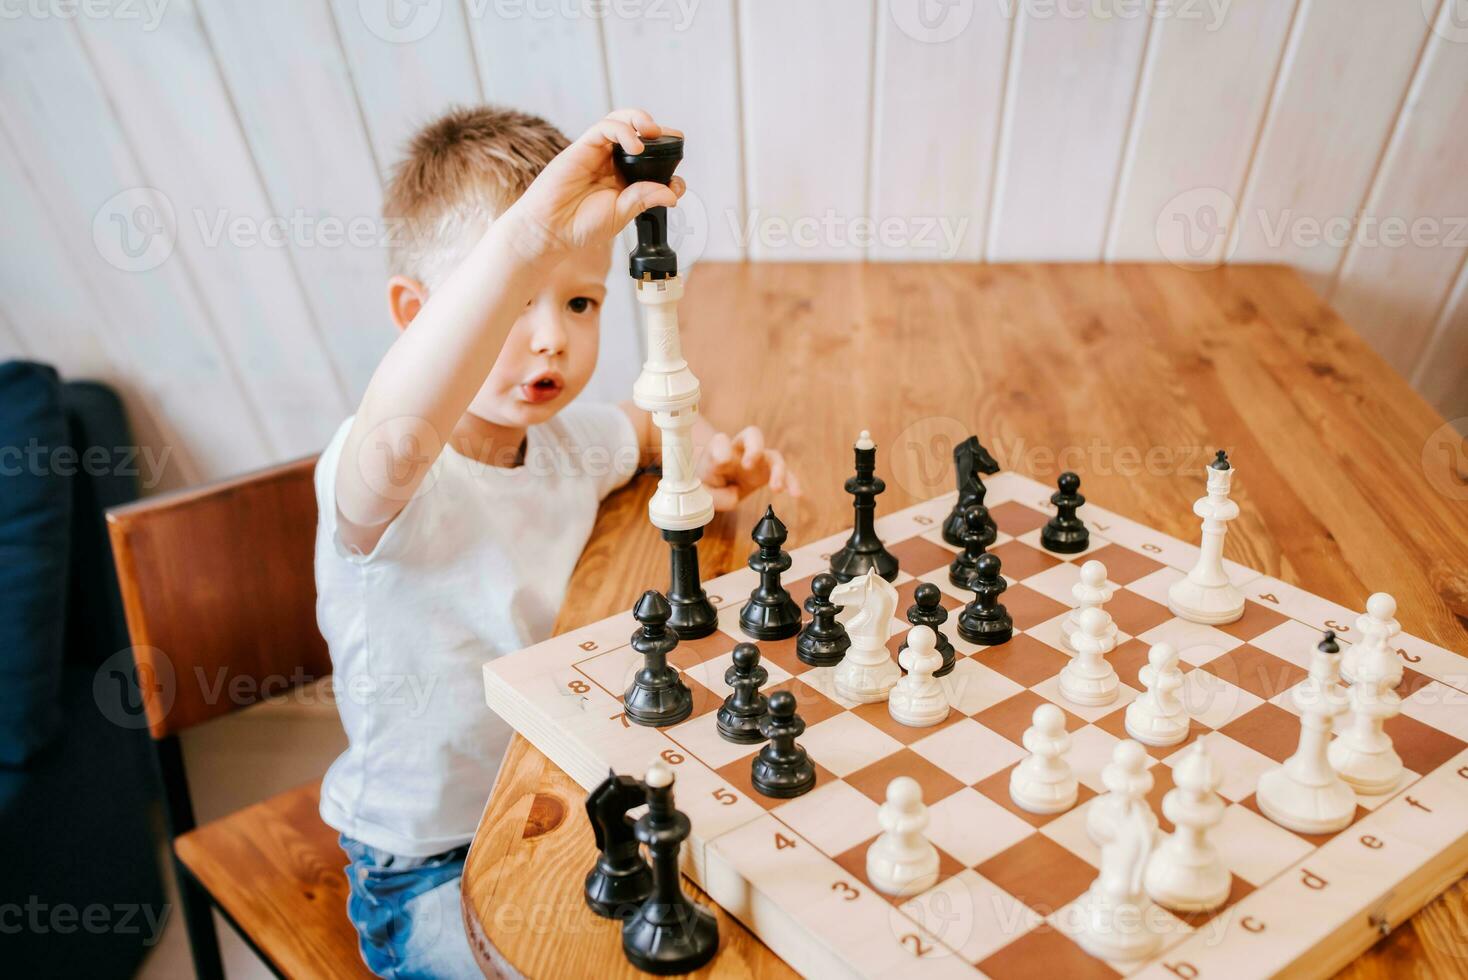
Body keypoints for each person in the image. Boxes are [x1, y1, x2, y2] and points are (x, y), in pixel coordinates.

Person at [314, 105, 799, 977]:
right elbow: (398, 428)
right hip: (429, 858)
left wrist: (714, 453)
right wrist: (524, 243)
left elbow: (647, 428)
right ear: (417, 314)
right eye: (511, 305)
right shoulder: (387, 473)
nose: (552, 337)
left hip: (559, 796)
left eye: (580, 301)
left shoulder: (566, 442)